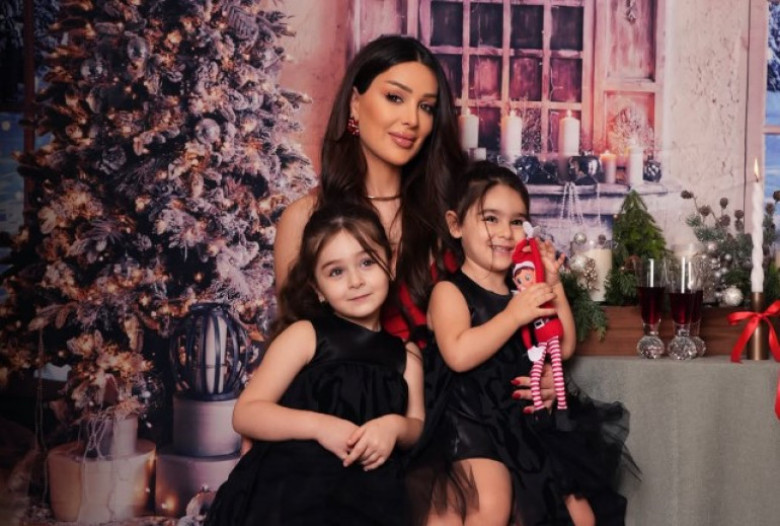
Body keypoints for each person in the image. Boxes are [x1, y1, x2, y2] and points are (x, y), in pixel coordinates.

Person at [273, 33, 556, 406]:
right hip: (348, 418)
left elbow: (509, 302)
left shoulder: (454, 212)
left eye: (426, 107)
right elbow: (291, 348)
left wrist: (541, 369)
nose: (411, 120)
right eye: (395, 97)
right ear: (355, 104)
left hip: (455, 416)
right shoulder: (305, 218)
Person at [422, 161, 631, 526]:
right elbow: (457, 354)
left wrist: (553, 284)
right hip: (470, 424)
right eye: (491, 219)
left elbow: (563, 346)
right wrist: (513, 315)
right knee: (491, 505)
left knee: (581, 516)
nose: (506, 232)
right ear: (456, 225)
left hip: (524, 424)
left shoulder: (524, 290)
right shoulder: (450, 291)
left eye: (517, 221)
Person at [205, 204, 424, 526]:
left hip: (368, 500)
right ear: (317, 288)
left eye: (366, 262)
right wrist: (321, 427)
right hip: (288, 495)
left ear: (390, 264)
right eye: (336, 272)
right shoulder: (305, 335)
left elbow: (416, 425)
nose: (355, 281)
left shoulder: (405, 355)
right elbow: (246, 413)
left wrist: (394, 426)